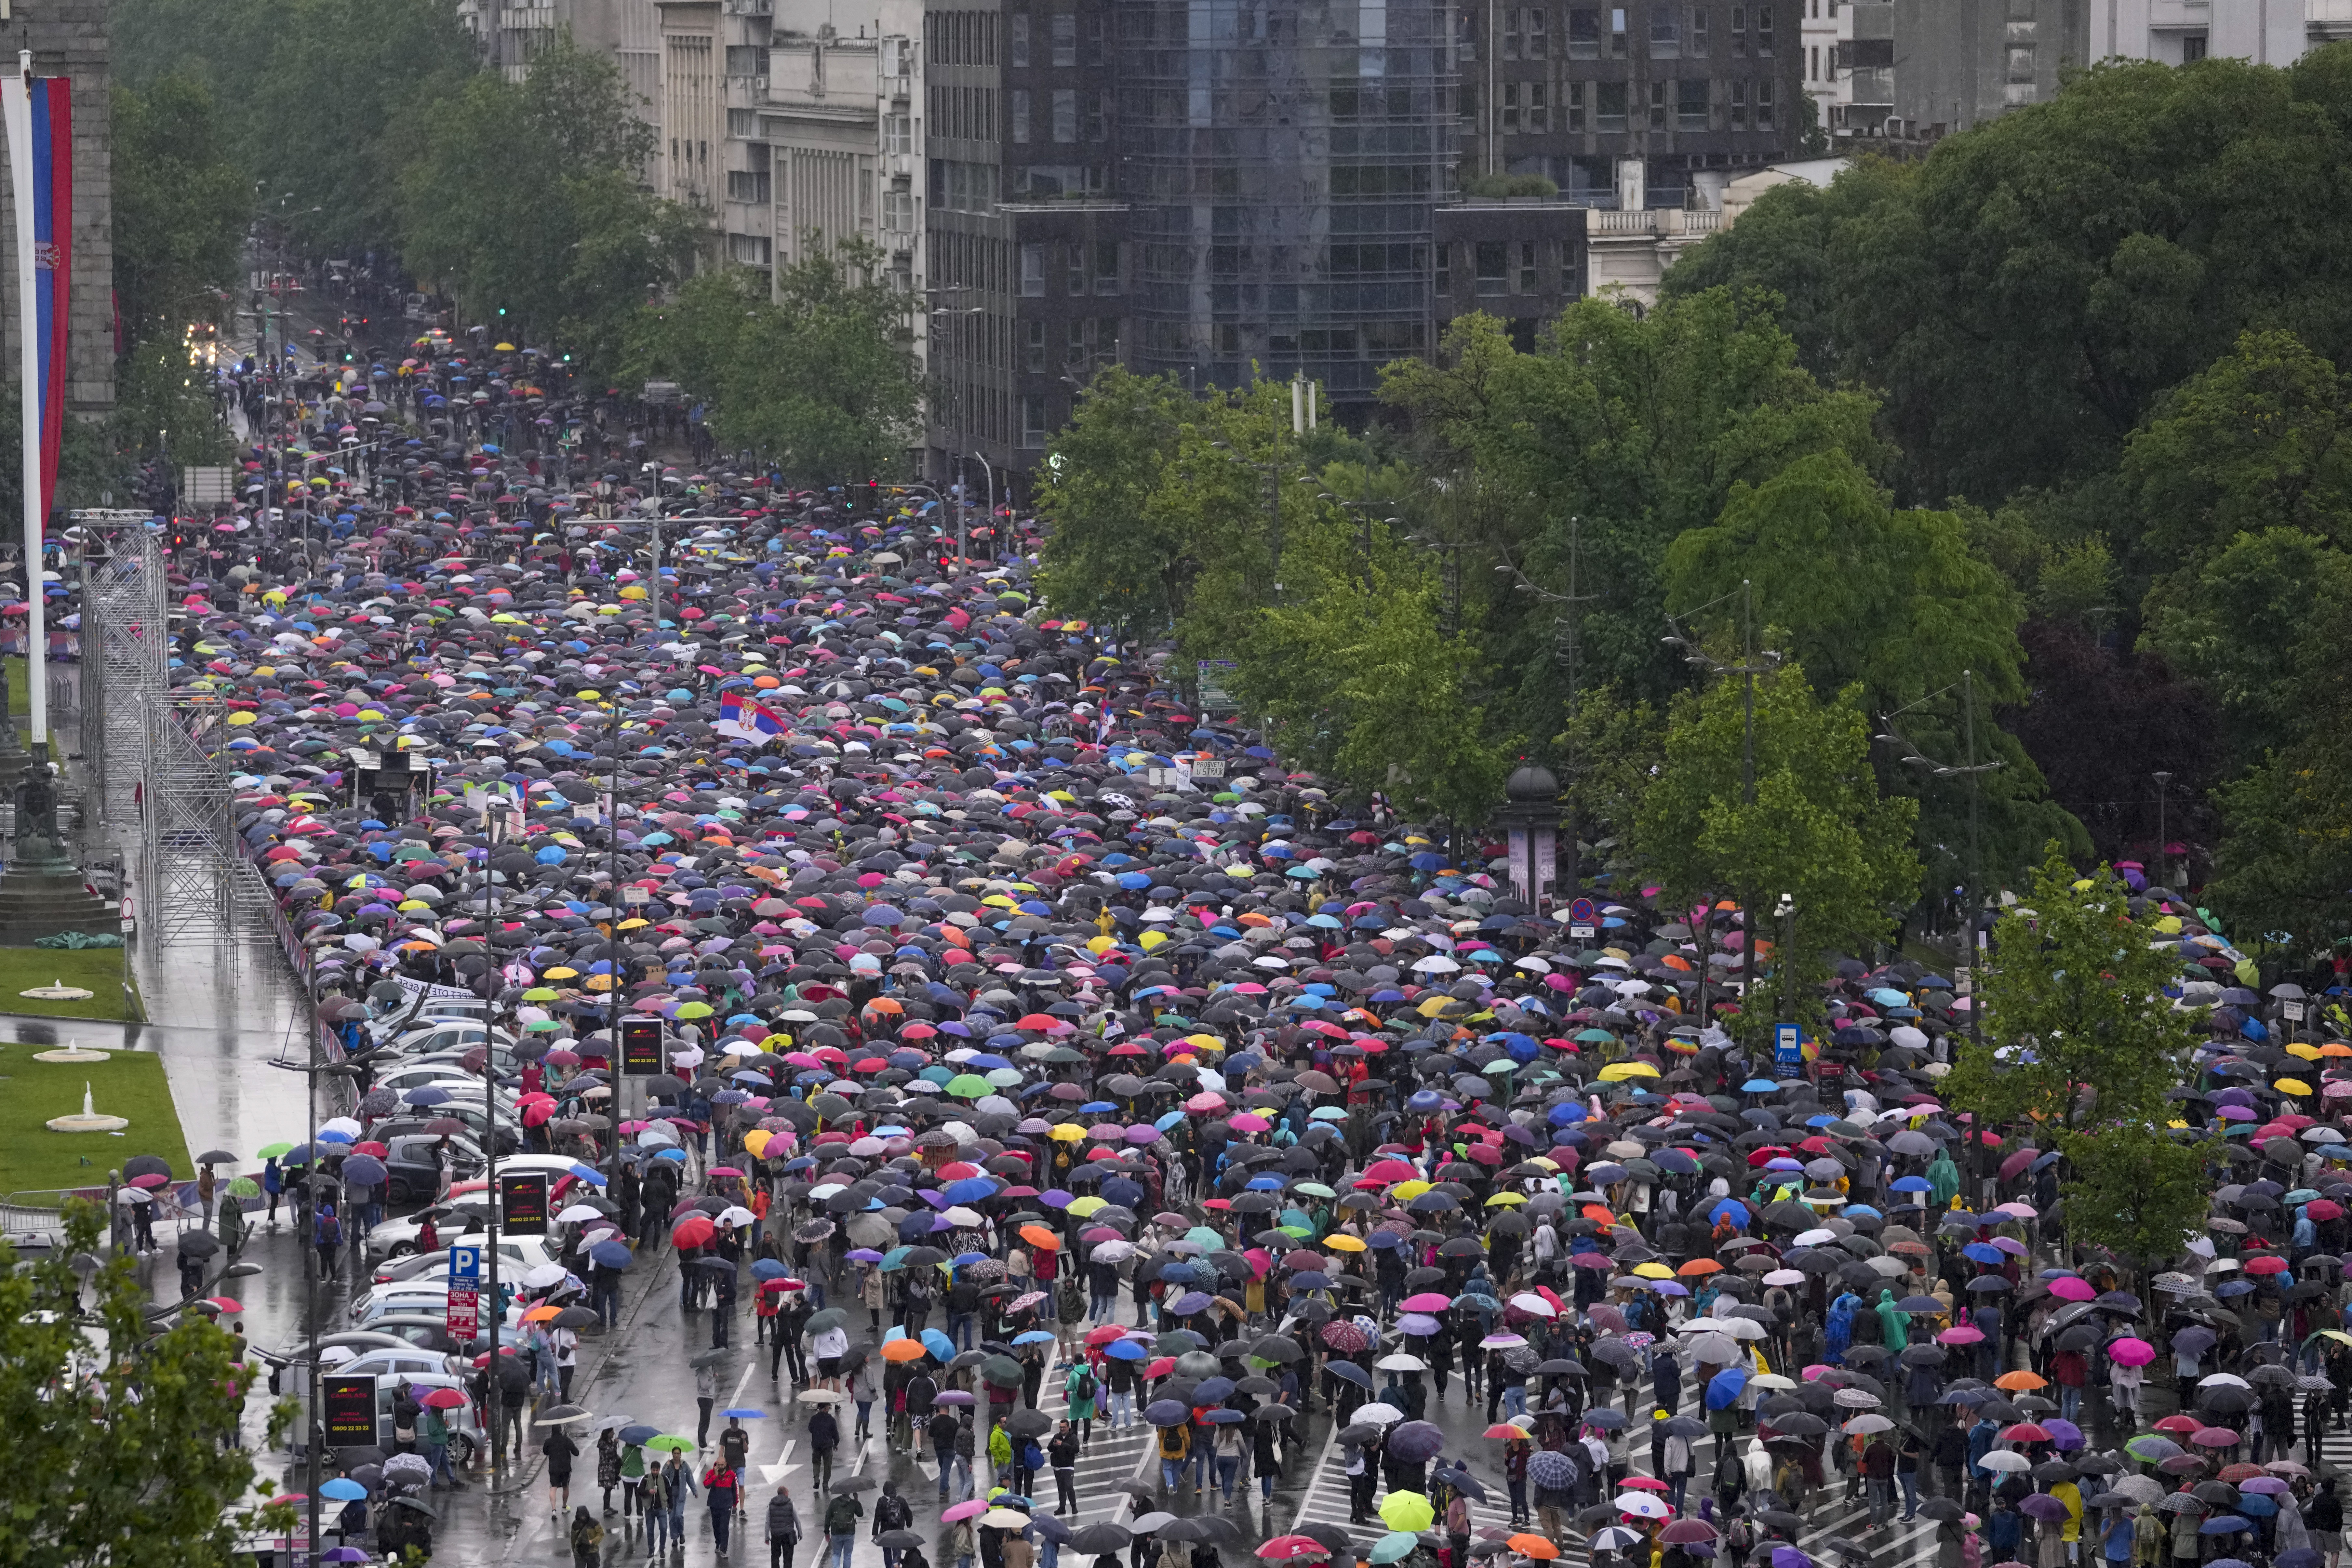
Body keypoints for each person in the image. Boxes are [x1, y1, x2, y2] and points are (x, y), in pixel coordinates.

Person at [823, 1482, 864, 1568]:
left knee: (836, 1554)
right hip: (850, 1533)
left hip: (836, 1533)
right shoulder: (853, 1503)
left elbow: (828, 1518)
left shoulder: (834, 1503)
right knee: (847, 1556)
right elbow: (861, 1514)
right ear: (850, 1493)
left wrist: (827, 1532)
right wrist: (856, 1500)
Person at [544, 1426, 581, 1518]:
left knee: (553, 1488)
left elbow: (546, 1452)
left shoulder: (549, 1441)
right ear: (561, 1430)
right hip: (565, 1468)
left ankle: (554, 1510)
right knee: (566, 1487)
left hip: (554, 1468)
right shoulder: (566, 1440)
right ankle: (564, 1507)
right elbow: (576, 1453)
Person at [705, 1461, 741, 1554]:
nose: (720, 1467)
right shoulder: (711, 1473)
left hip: (726, 1505)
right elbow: (706, 1485)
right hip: (714, 1505)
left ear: (725, 1465)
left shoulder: (732, 1475)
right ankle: (718, 1543)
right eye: (718, 1465)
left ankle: (724, 1550)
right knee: (716, 1526)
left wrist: (735, 1504)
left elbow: (735, 1490)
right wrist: (716, 1476)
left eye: (722, 1465)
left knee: (724, 1527)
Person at [766, 1483, 802, 1568]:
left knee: (775, 1557)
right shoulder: (791, 1504)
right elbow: (797, 1520)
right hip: (788, 1535)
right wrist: (800, 1533)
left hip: (776, 1535)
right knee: (788, 1559)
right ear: (785, 1493)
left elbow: (767, 1522)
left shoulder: (771, 1505)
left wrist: (766, 1536)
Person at [807, 1402, 840, 1494]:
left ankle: (817, 1479)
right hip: (828, 1445)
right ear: (825, 1409)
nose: (828, 1409)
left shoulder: (814, 1419)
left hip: (816, 1445)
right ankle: (825, 1484)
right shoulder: (831, 1420)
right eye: (828, 1408)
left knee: (816, 1463)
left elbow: (810, 1429)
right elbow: (835, 1434)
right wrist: (836, 1444)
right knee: (827, 1465)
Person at [569, 1504, 604, 1568]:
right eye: (582, 1516)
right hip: (580, 1552)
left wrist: (593, 1541)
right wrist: (574, 1550)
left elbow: (601, 1534)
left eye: (584, 1516)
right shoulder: (575, 1524)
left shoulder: (594, 1523)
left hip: (592, 1552)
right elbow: (573, 1538)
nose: (583, 1518)